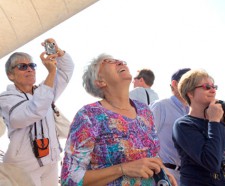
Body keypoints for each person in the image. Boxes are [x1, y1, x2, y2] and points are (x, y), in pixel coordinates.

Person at [60, 54, 175, 185]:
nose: (120, 62)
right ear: (100, 81)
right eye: (109, 62)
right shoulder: (89, 116)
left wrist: (164, 171)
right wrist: (122, 169)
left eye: (120, 61)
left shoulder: (144, 110)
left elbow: (151, 153)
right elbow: (69, 179)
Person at [0, 39, 73, 186]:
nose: (30, 69)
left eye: (32, 65)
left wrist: (60, 54)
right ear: (10, 75)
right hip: (23, 167)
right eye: (22, 66)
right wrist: (51, 73)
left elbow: (66, 72)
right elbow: (32, 112)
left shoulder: (43, 91)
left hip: (50, 162)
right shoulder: (6, 98)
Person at [173, 69, 225, 186]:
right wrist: (214, 121)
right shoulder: (184, 125)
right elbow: (211, 163)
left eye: (214, 86)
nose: (213, 90)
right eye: (206, 87)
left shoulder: (221, 121)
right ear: (190, 93)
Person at [151, 68, 191, 184]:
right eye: (190, 82)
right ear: (175, 84)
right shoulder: (160, 106)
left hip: (189, 176)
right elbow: (145, 141)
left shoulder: (194, 110)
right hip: (166, 175)